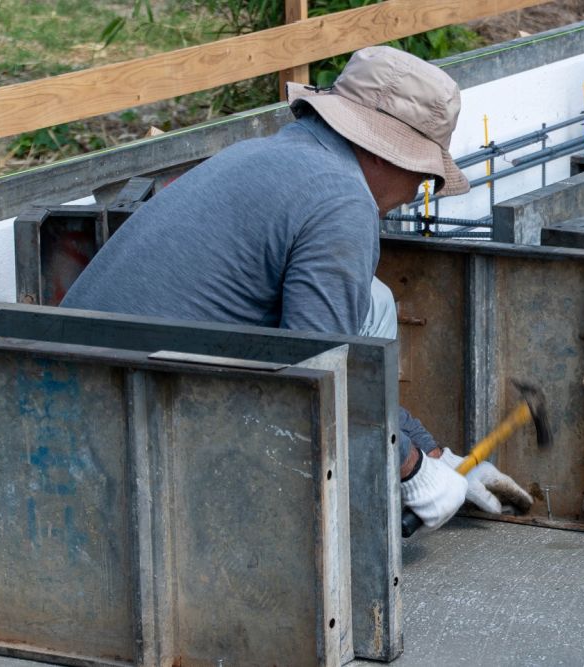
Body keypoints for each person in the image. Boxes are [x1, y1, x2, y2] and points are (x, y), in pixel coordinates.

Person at [61, 45, 531, 531]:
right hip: (126, 438)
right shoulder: (342, 201)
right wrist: (410, 471)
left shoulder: (266, 154)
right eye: (423, 173)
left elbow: (331, 350)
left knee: (371, 300)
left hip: (71, 399)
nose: (416, 190)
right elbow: (319, 375)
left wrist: (434, 456)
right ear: (384, 149)